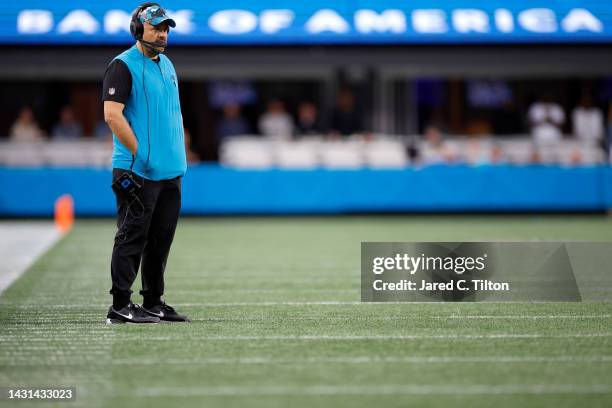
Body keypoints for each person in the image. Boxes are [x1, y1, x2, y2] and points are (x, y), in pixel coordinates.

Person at [102, 2, 189, 324]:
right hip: (136, 170)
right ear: (137, 30)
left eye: (166, 28)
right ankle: (120, 305)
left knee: (160, 239)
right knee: (132, 236)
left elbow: (171, 115)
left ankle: (153, 301)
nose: (163, 33)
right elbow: (112, 115)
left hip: (169, 172)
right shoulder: (122, 65)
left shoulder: (166, 64)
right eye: (156, 27)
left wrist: (178, 154)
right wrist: (140, 154)